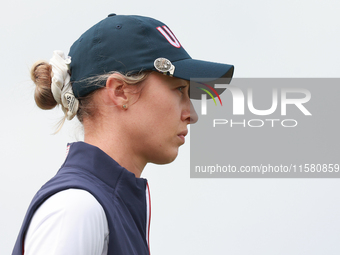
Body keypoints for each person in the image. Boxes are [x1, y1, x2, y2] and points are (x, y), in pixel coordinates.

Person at [12, 13, 234, 255]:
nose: (192, 114)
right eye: (179, 89)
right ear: (120, 92)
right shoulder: (76, 209)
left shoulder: (103, 206)